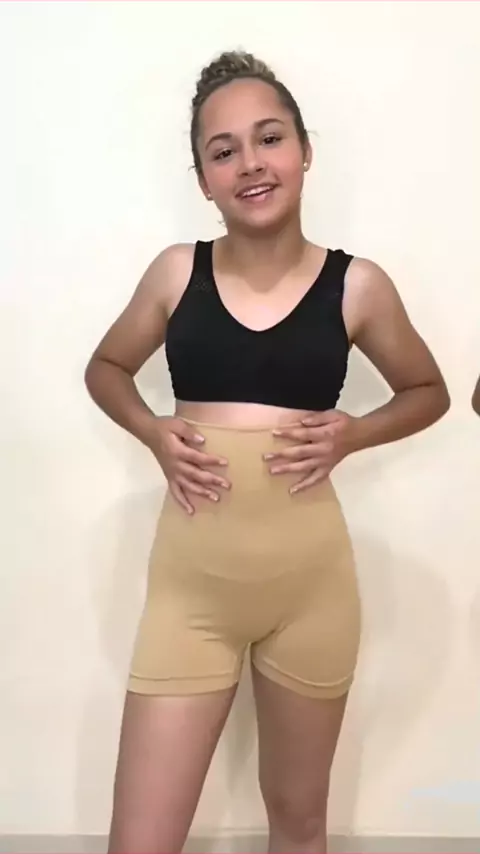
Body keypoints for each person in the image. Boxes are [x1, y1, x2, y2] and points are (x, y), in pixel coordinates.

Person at [85, 51, 450, 854]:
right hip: (191, 597)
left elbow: (429, 391)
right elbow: (105, 367)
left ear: (305, 151)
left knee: (299, 825)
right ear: (204, 180)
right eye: (224, 151)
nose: (250, 162)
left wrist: (354, 433)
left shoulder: (359, 286)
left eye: (270, 138)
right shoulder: (175, 273)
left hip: (312, 592)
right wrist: (151, 430)